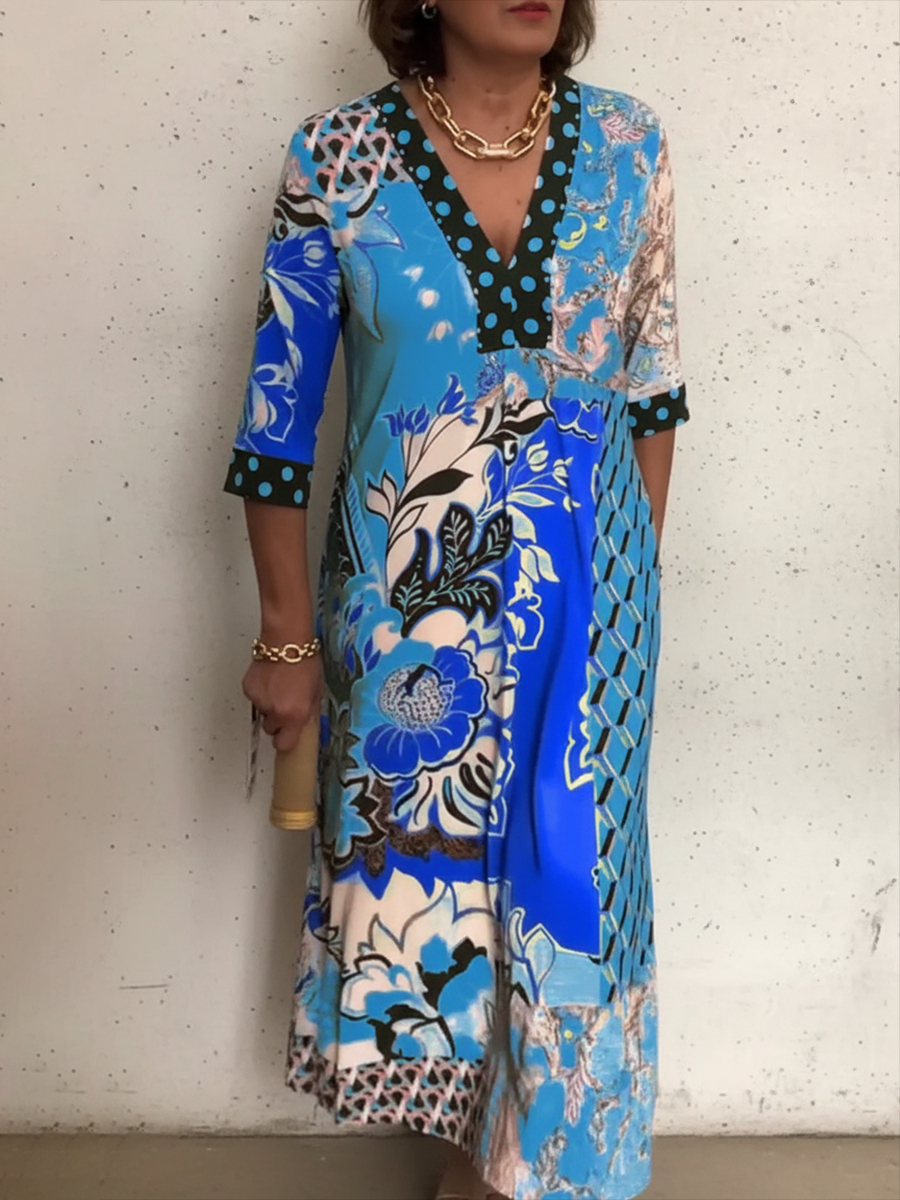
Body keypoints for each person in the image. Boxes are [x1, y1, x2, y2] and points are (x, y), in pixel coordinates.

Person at [223, 0, 688, 1196]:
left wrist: (624, 597)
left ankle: (530, 1173)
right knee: (433, 910)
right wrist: (286, 642)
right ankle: (472, 1166)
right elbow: (276, 430)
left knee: (573, 897)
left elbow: (653, 394)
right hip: (405, 630)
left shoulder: (629, 146)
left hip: (588, 617)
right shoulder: (336, 160)